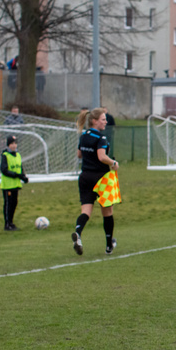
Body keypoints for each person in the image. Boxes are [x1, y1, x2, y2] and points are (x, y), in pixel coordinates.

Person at [73, 108, 119, 255]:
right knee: (107, 212)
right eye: (103, 119)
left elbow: (79, 154)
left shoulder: (84, 136)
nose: (106, 122)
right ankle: (108, 245)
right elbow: (101, 157)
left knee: (86, 211)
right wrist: (113, 163)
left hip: (85, 176)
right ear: (94, 121)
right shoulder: (101, 138)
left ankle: (78, 233)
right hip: (101, 178)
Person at [1, 135, 29, 231]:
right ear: (8, 145)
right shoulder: (5, 155)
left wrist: (24, 177)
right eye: (12, 143)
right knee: (8, 204)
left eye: (15, 143)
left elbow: (20, 168)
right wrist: (17, 175)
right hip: (7, 186)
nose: (14, 145)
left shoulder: (18, 155)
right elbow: (4, 170)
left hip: (15, 185)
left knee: (14, 203)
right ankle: (7, 224)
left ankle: (11, 223)